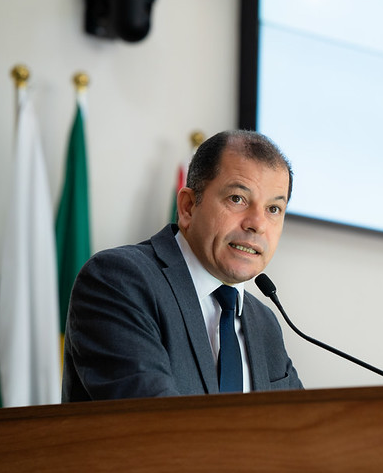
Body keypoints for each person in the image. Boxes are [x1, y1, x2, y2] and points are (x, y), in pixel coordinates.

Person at [62, 130, 303, 401]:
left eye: (273, 209)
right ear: (188, 207)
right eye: (237, 199)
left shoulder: (265, 324)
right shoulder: (117, 282)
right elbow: (154, 423)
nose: (257, 224)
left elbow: (297, 434)